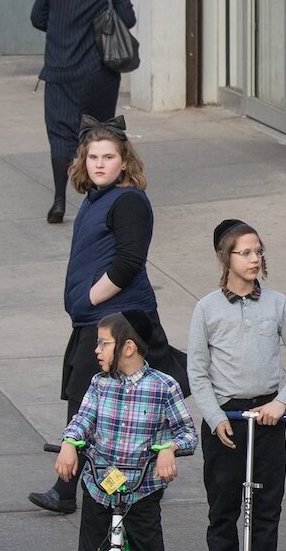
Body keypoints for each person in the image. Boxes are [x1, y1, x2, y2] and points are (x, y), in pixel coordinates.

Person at [30, 118, 186, 515]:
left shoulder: (128, 200)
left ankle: (72, 490)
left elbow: (130, 260)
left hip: (114, 320)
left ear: (124, 161)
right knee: (108, 404)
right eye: (93, 157)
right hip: (96, 318)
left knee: (93, 401)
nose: (100, 164)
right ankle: (105, 485)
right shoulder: (96, 198)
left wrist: (90, 295)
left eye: (109, 157)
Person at [55, 315, 199, 551]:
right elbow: (81, 421)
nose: (97, 349)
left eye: (103, 343)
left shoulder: (163, 386)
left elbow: (187, 433)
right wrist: (70, 444)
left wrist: (168, 447)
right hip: (101, 485)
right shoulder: (99, 384)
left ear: (128, 347)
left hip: (141, 491)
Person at [187, 220, 286, 551]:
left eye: (259, 250)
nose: (255, 258)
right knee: (223, 508)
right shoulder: (206, 308)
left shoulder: (277, 304)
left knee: (265, 508)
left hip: (267, 418)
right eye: (246, 252)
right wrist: (212, 418)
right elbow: (198, 370)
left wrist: (281, 402)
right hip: (226, 418)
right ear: (226, 257)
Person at [31, 0, 137, 225]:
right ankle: (99, 199)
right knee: (99, 133)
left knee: (61, 135)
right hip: (99, 73)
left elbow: (37, 19)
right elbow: (127, 20)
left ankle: (59, 200)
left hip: (60, 72)